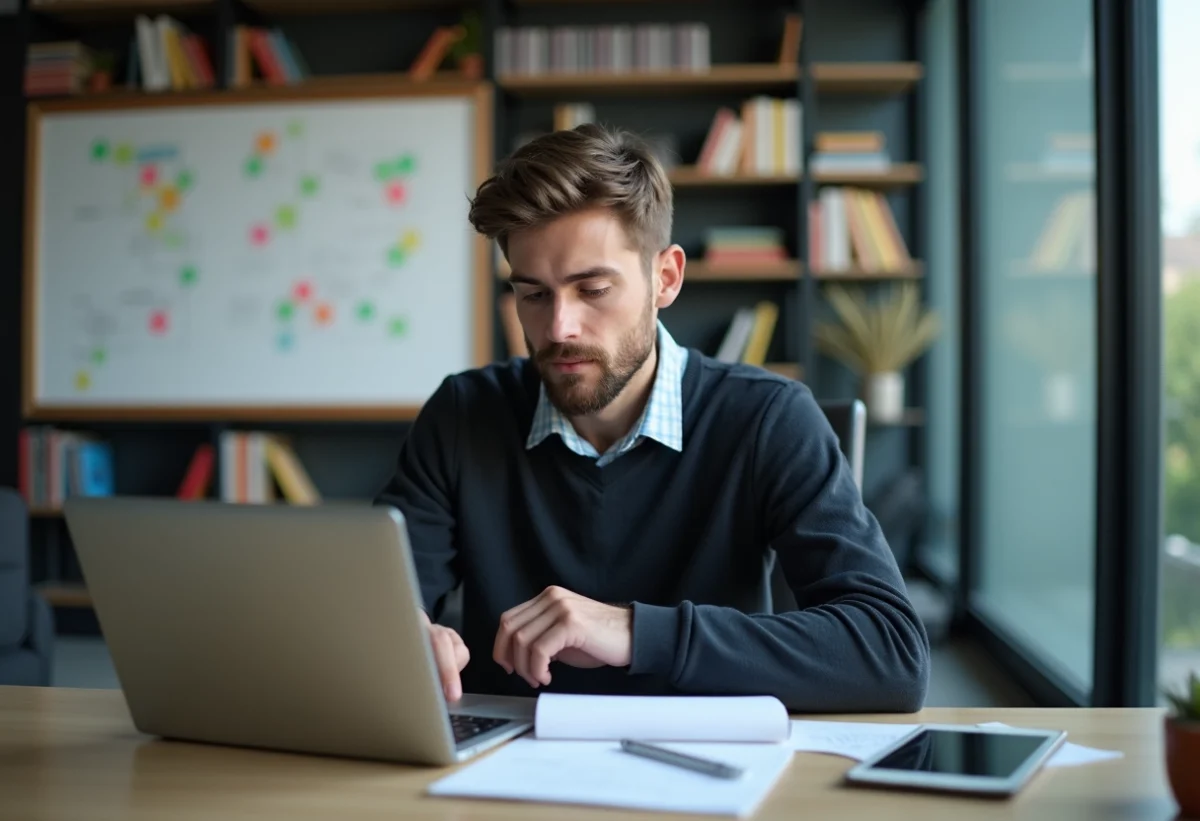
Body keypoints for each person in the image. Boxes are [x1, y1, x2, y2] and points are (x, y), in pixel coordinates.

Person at [375, 123, 930, 713]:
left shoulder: (768, 418)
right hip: (499, 775)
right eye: (534, 295)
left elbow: (890, 651)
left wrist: (640, 633)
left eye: (592, 289)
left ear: (665, 278)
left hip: (709, 781)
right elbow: (386, 601)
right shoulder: (464, 414)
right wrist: (394, 632)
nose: (559, 328)